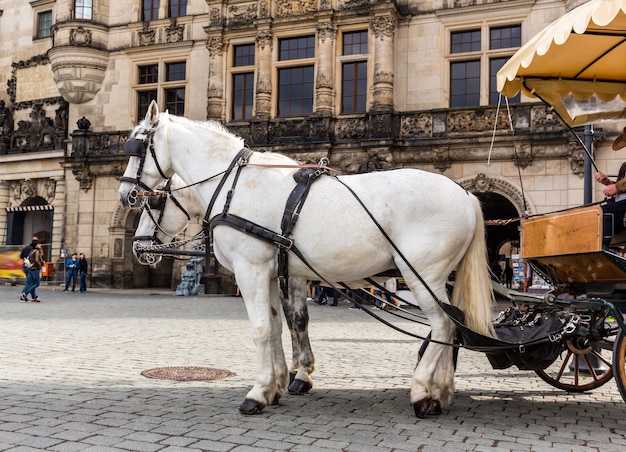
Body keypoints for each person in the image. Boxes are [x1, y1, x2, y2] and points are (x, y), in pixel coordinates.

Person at [595, 129, 626, 247]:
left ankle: (602, 250)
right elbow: (621, 189)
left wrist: (616, 187)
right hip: (620, 210)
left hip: (621, 209)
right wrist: (608, 182)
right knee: (596, 212)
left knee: (606, 211)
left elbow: (619, 187)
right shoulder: (624, 166)